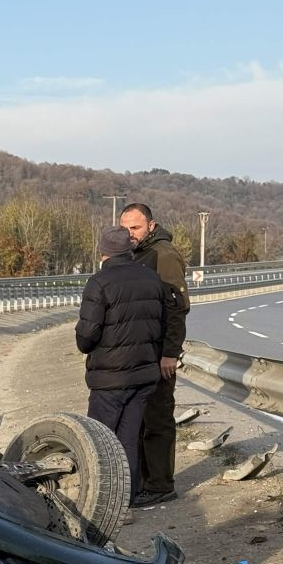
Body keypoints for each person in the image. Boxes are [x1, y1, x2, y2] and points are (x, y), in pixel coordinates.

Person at [74, 225, 166, 506]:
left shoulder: (99, 283)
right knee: (128, 439)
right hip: (142, 376)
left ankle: (103, 502)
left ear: (102, 252)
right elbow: (161, 327)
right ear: (129, 249)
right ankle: (126, 500)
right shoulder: (152, 279)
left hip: (108, 378)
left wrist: (84, 343)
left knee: (101, 440)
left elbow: (87, 337)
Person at [119, 203, 188, 506]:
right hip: (143, 353)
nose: (129, 234)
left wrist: (170, 354)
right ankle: (148, 482)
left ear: (151, 225)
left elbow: (177, 308)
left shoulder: (164, 255)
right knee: (142, 420)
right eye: (125, 228)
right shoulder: (137, 253)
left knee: (158, 418)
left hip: (161, 353)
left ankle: (161, 486)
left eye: (135, 228)